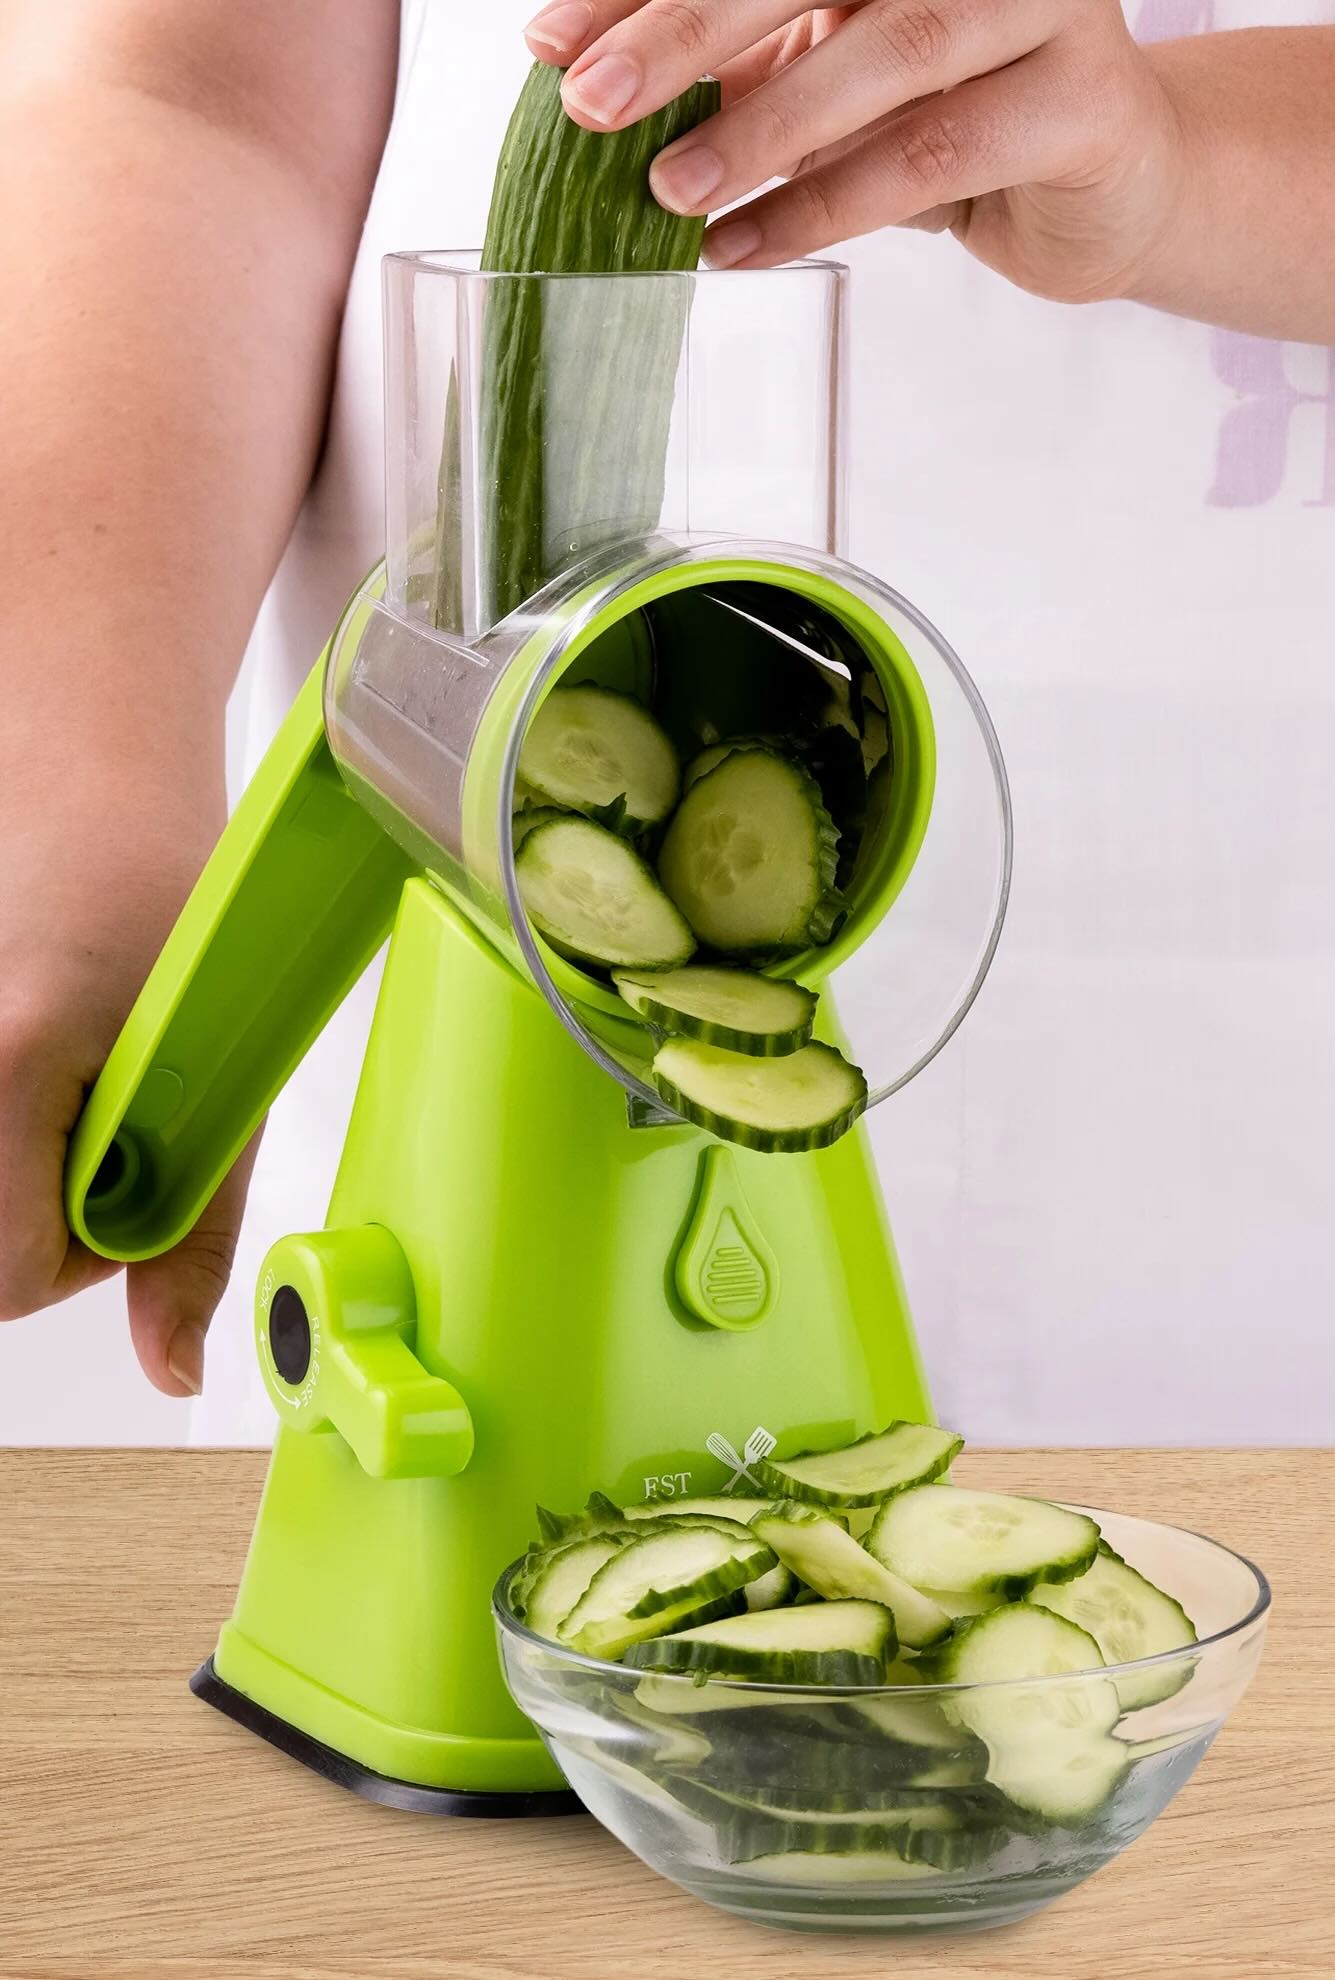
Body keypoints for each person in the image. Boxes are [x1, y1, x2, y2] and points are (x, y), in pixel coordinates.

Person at [1, 1, 1331, 1445]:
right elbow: (190, 90)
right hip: (467, 870)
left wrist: (1179, 150)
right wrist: (91, 791)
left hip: (1266, 1126)